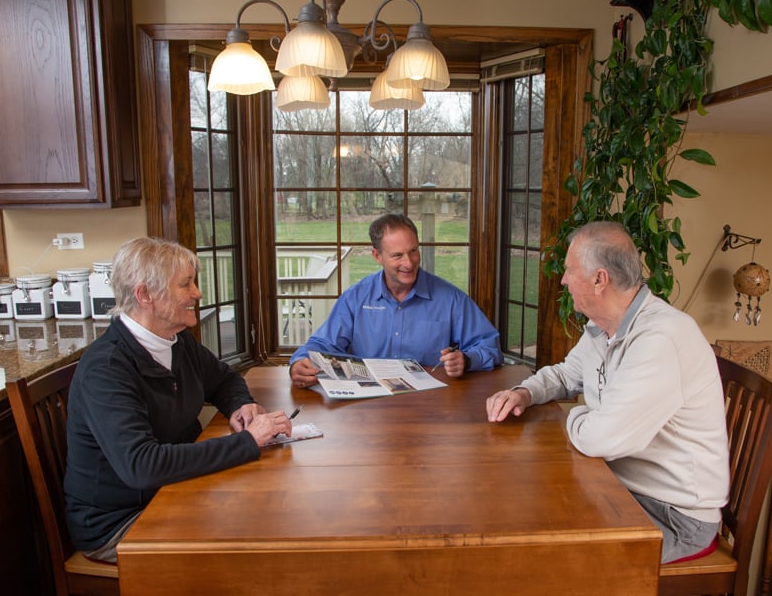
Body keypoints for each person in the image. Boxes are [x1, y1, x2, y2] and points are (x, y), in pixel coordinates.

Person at [485, 221, 729, 564]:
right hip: (620, 486)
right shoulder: (606, 326)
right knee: (525, 510)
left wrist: (577, 415)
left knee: (549, 555)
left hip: (674, 517)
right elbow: (566, 374)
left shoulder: (660, 338)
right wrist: (525, 392)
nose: (564, 280)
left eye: (570, 270)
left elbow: (602, 439)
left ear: (600, 279)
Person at [64, 237, 293, 563]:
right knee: (249, 542)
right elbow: (142, 467)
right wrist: (247, 441)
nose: (198, 293)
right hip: (120, 522)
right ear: (145, 295)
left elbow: (225, 379)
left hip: (173, 491)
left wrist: (240, 405)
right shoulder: (106, 369)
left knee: (266, 513)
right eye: (186, 284)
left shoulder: (175, 340)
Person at [289, 213, 502, 387]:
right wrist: (298, 362)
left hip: (430, 405)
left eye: (413, 251)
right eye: (397, 255)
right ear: (377, 256)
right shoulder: (355, 298)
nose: (409, 263)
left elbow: (490, 346)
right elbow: (322, 344)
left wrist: (466, 360)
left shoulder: (450, 298)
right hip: (369, 406)